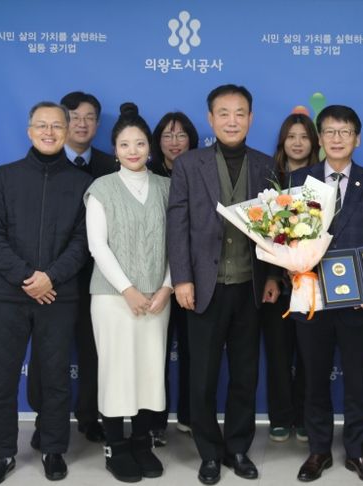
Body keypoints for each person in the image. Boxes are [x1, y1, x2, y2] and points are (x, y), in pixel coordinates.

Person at [167, 84, 280, 485]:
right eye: (224, 113)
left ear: (251, 118)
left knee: (245, 374)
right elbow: (177, 226)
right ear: (211, 119)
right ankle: (209, 453)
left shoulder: (266, 165)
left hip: (250, 287)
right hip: (204, 287)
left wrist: (273, 276)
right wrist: (182, 278)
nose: (232, 121)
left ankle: (237, 448)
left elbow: (277, 229)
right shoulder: (188, 165)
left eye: (240, 113)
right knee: (202, 377)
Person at [0, 101, 92, 485]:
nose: (49, 132)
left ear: (67, 132)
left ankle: (52, 448)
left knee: (55, 377)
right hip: (8, 296)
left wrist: (51, 278)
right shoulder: (2, 177)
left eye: (56, 126)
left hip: (58, 296)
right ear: (30, 131)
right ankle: (2, 453)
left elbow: (82, 241)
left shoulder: (82, 183)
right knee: (2, 378)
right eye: (41, 125)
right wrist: (29, 278)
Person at [290, 105, 363, 484]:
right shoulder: (299, 180)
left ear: (357, 139)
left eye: (345, 132)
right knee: (314, 378)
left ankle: (358, 451)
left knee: (357, 380)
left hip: (358, 301)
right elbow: (287, 237)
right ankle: (318, 450)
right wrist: (292, 267)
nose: (337, 139)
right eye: (330, 132)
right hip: (312, 297)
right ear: (319, 138)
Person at [85, 102, 172, 482]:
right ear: (115, 149)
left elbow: (178, 244)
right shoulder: (101, 188)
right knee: (116, 371)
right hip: (112, 298)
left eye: (139, 143)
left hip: (158, 297)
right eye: (124, 144)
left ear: (150, 147)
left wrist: (167, 286)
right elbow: (97, 246)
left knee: (149, 371)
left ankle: (141, 443)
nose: (133, 151)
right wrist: (128, 290)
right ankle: (115, 447)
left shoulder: (167, 187)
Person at [28, 91, 116, 450]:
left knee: (94, 350)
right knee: (46, 354)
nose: (82, 123)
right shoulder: (42, 163)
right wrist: (45, 274)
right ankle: (44, 420)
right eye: (74, 117)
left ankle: (90, 416)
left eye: (89, 117)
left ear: (97, 124)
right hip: (51, 280)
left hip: (98, 277)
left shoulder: (112, 165)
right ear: (63, 124)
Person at [262, 113, 319, 443]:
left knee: (311, 355)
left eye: (304, 137)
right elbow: (263, 235)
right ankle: (280, 416)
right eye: (291, 136)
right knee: (278, 354)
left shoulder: (323, 183)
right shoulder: (269, 179)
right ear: (282, 141)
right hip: (277, 284)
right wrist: (275, 272)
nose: (297, 143)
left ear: (314, 142)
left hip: (312, 282)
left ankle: (305, 415)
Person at [147, 112, 200, 446]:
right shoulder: (146, 175)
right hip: (154, 279)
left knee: (194, 351)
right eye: (167, 136)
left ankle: (189, 416)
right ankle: (155, 421)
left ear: (192, 139)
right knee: (156, 352)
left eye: (181, 135)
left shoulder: (201, 172)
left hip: (192, 276)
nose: (175, 142)